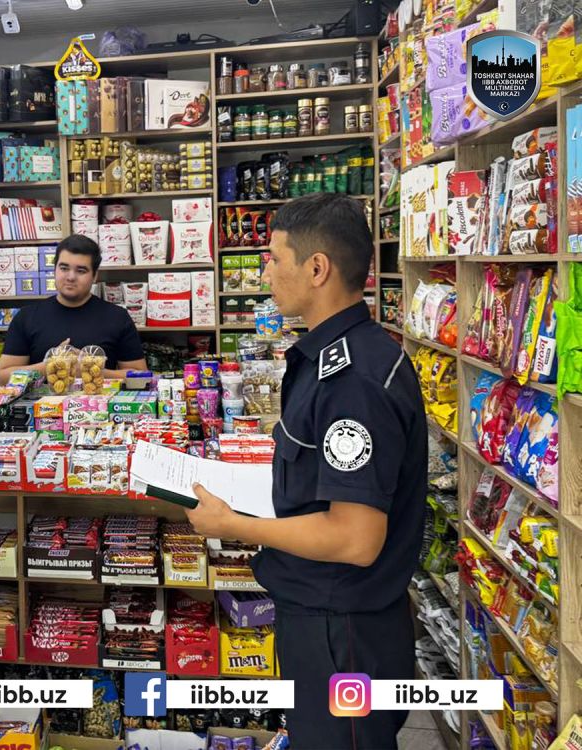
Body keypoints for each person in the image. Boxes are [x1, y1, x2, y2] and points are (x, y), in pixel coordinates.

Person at [184, 193, 427, 750]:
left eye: (274, 258)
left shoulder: (353, 381)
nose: (265, 272)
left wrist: (232, 525)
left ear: (317, 269)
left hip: (342, 630)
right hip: (328, 616)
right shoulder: (334, 355)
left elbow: (355, 538)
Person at [0, 234, 148, 385]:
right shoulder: (26, 317)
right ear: (54, 269)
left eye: (81, 270)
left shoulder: (117, 317)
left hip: (98, 401)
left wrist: (92, 370)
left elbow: (141, 377)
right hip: (41, 402)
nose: (71, 277)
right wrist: (50, 365)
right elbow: (2, 378)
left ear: (95, 276)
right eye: (64, 268)